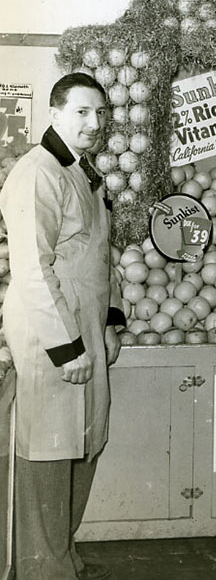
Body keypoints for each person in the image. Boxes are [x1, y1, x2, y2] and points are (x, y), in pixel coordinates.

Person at [0, 73, 125, 580]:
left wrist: (111, 320)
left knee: (86, 443)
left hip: (86, 329)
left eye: (99, 113)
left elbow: (100, 254)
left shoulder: (81, 170)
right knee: (49, 454)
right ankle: (42, 569)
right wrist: (66, 347)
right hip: (50, 336)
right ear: (54, 114)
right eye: (81, 112)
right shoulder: (37, 172)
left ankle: (63, 556)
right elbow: (32, 268)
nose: (93, 124)